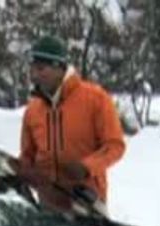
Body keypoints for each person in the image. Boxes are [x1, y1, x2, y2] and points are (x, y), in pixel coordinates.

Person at [13, 35, 125, 214]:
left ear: (59, 67)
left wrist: (86, 167)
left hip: (87, 203)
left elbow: (115, 145)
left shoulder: (96, 99)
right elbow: (28, 156)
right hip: (48, 206)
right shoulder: (33, 109)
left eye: (41, 69)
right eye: (32, 69)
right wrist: (16, 174)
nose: (35, 76)